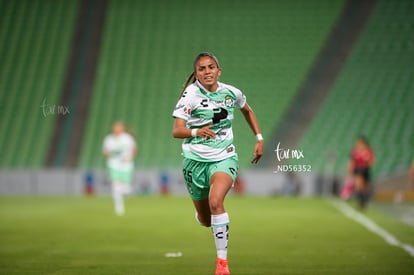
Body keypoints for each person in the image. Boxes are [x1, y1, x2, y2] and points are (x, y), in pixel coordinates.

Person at [172, 52, 264, 275]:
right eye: (202, 69)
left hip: (224, 157)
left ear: (218, 71)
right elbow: (177, 131)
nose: (207, 72)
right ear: (196, 74)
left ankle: (222, 265)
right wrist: (196, 131)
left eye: (211, 67)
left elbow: (247, 110)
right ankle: (205, 218)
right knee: (205, 220)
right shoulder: (190, 95)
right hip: (194, 162)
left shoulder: (231, 92)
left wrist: (259, 138)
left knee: (216, 202)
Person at [103, 121, 137, 216]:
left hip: (126, 166)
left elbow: (134, 149)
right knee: (115, 185)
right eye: (115, 127)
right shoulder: (109, 139)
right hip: (113, 165)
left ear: (122, 129)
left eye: (118, 127)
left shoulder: (128, 138)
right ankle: (119, 207)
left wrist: (129, 157)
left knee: (126, 189)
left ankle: (125, 191)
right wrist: (108, 154)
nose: (116, 129)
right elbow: (105, 151)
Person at [347, 135, 374, 209]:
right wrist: (349, 170)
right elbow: (351, 161)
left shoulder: (368, 151)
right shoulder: (354, 151)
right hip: (358, 170)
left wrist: (367, 164)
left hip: (366, 169)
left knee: (365, 187)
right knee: (359, 185)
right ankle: (360, 201)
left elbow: (371, 161)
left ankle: (364, 201)